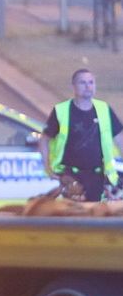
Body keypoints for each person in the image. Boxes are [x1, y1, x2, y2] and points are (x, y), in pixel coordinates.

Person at [41, 68, 123, 202]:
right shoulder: (61, 111)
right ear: (74, 86)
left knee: (95, 218)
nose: (88, 86)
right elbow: (44, 140)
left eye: (91, 82)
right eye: (82, 83)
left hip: (97, 176)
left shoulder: (104, 109)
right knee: (74, 216)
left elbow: (120, 140)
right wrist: (48, 168)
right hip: (70, 176)